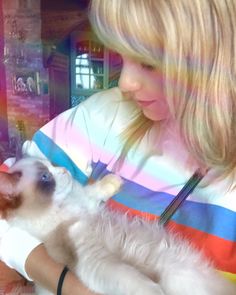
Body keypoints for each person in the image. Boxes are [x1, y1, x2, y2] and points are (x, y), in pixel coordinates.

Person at [0, 0, 236, 293]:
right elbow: (4, 212)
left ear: (216, 59)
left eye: (148, 62)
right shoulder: (103, 117)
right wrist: (69, 284)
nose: (125, 83)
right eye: (121, 56)